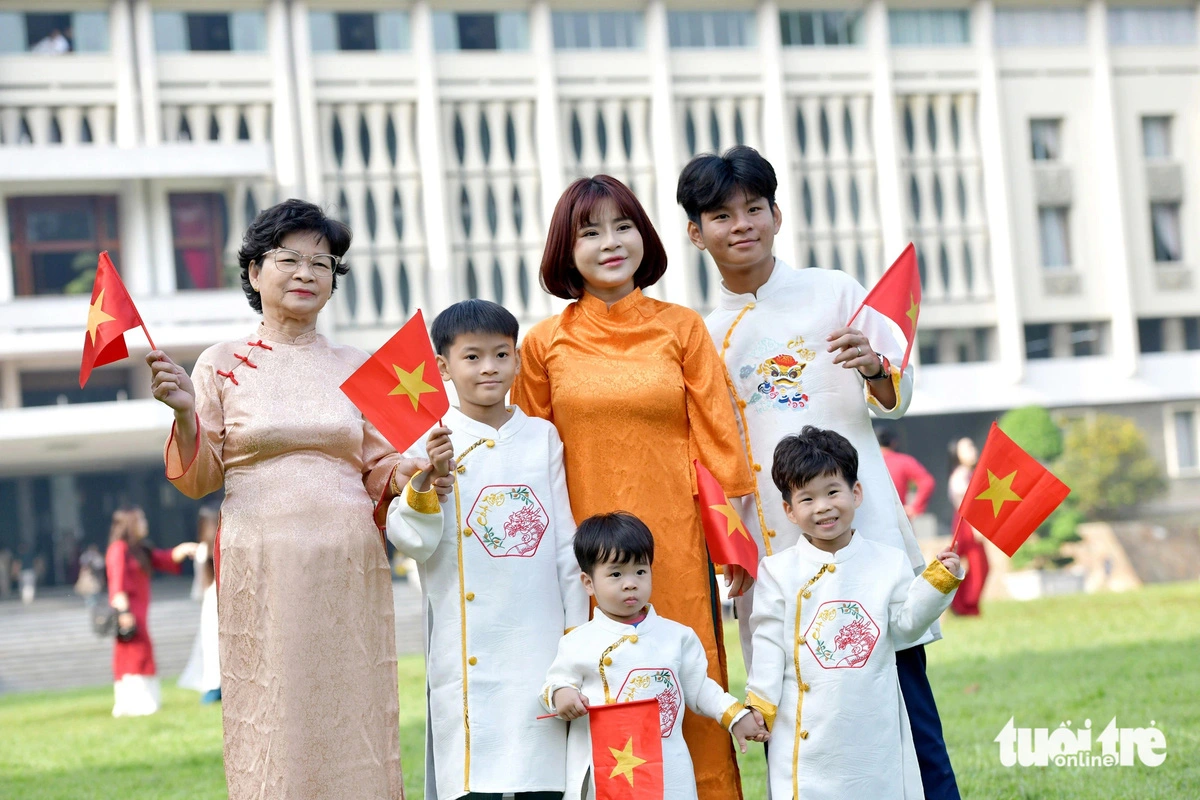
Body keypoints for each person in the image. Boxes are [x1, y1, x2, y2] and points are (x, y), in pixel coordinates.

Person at [678, 145, 961, 799]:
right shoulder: (701, 335)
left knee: (907, 707)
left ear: (778, 214)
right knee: (794, 715)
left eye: (755, 207)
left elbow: (898, 389)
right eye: (721, 215)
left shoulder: (835, 291)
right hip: (775, 552)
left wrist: (873, 365)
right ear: (696, 233)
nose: (741, 224)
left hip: (866, 542)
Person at [146, 199, 440, 799]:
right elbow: (200, 476)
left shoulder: (358, 365)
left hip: (348, 558)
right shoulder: (221, 364)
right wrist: (182, 414)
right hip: (263, 560)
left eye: (323, 263)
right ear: (255, 272)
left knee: (352, 704)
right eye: (290, 259)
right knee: (274, 708)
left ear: (334, 281)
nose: (307, 272)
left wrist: (415, 470)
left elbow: (378, 470)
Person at [512, 175, 755, 799]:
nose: (610, 243)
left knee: (688, 678)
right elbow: (526, 458)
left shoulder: (682, 329)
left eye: (623, 227)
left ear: (644, 235)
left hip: (672, 547)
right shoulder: (544, 343)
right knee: (596, 692)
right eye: (589, 233)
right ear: (566, 250)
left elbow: (721, 445)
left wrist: (733, 546)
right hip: (580, 554)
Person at [388, 299, 590, 800]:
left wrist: (576, 633)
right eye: (472, 357)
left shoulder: (542, 437)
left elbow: (564, 541)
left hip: (541, 637)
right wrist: (427, 482)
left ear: (518, 360)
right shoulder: (432, 441)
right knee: (473, 780)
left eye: (501, 355)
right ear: (443, 368)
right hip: (469, 646)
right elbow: (412, 540)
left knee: (544, 776)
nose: (489, 368)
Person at [745, 427, 961, 800]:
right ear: (789, 511)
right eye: (807, 498)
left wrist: (938, 582)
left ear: (855, 493)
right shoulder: (777, 571)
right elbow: (767, 644)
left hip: (873, 732)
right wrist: (759, 705)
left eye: (833, 492)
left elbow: (905, 627)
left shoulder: (888, 562)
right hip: (807, 738)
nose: (824, 506)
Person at [542, 513, 768, 800]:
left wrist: (735, 716)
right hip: (607, 772)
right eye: (615, 574)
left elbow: (700, 689)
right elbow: (554, 682)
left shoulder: (677, 637)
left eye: (640, 571)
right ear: (588, 583)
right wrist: (562, 694)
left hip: (666, 771)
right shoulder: (578, 642)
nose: (630, 583)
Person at [106, 507, 198, 717]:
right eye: (141, 520)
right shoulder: (119, 549)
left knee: (142, 653)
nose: (145, 523)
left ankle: (144, 702)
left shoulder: (139, 550)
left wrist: (183, 549)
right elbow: (117, 583)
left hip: (140, 613)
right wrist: (123, 612)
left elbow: (164, 558)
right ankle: (133, 704)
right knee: (132, 655)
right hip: (129, 613)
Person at [179, 506, 221, 703]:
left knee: (212, 647)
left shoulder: (204, 550)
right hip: (216, 603)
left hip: (211, 604)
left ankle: (214, 687)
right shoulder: (217, 548)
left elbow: (199, 588)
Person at [948, 437, 989, 616]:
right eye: (967, 448)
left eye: (973, 446)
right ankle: (963, 605)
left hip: (972, 522)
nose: (973, 450)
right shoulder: (960, 475)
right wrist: (975, 527)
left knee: (980, 565)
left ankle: (965, 604)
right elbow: (963, 504)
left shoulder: (970, 473)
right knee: (977, 565)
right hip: (966, 524)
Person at [878, 427, 936, 520]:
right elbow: (927, 482)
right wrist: (914, 508)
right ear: (893, 443)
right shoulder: (904, 461)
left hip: (870, 520)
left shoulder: (864, 463)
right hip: (898, 519)